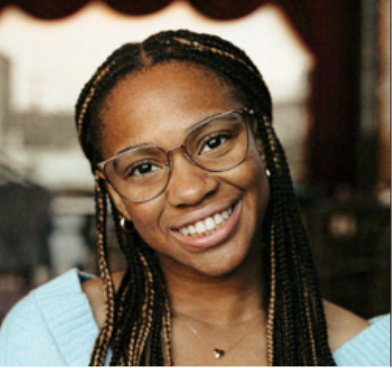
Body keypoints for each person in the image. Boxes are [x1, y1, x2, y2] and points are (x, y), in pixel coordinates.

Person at [0, 29, 389, 366]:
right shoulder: (46, 334)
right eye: (142, 168)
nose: (191, 189)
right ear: (118, 197)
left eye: (214, 142)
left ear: (263, 145)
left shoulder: (371, 354)